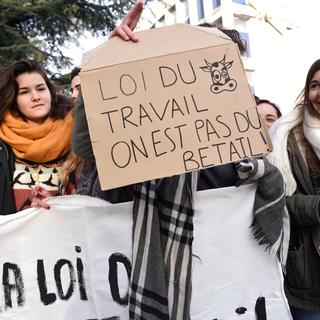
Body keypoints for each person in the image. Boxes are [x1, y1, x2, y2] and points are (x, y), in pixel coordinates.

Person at [72, 2, 288, 319]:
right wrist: (106, 64)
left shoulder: (245, 140)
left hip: (231, 283)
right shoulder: (154, 129)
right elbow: (87, 147)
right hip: (167, 275)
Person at [268, 59, 320, 319]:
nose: (319, 93)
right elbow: (277, 201)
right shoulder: (286, 138)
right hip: (310, 277)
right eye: (314, 85)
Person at [0, 59, 74, 214]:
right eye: (24, 92)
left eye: (41, 88)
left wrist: (59, 205)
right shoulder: (3, 144)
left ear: (50, 91)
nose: (35, 97)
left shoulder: (77, 131)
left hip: (70, 234)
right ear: (13, 98)